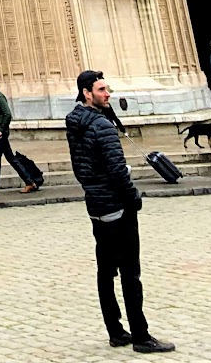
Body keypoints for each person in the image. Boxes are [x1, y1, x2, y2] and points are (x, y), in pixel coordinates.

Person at [66, 70, 173, 354]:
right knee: (130, 273)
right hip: (116, 206)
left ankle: (115, 331)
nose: (107, 94)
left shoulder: (75, 123)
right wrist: (133, 198)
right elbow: (116, 170)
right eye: (101, 90)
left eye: (107, 89)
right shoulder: (101, 126)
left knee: (105, 271)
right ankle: (141, 336)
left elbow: (80, 166)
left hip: (96, 205)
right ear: (87, 93)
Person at [0, 73, 37, 196]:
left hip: (1, 133)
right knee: (11, 159)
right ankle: (29, 182)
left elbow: (8, 114)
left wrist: (1, 130)